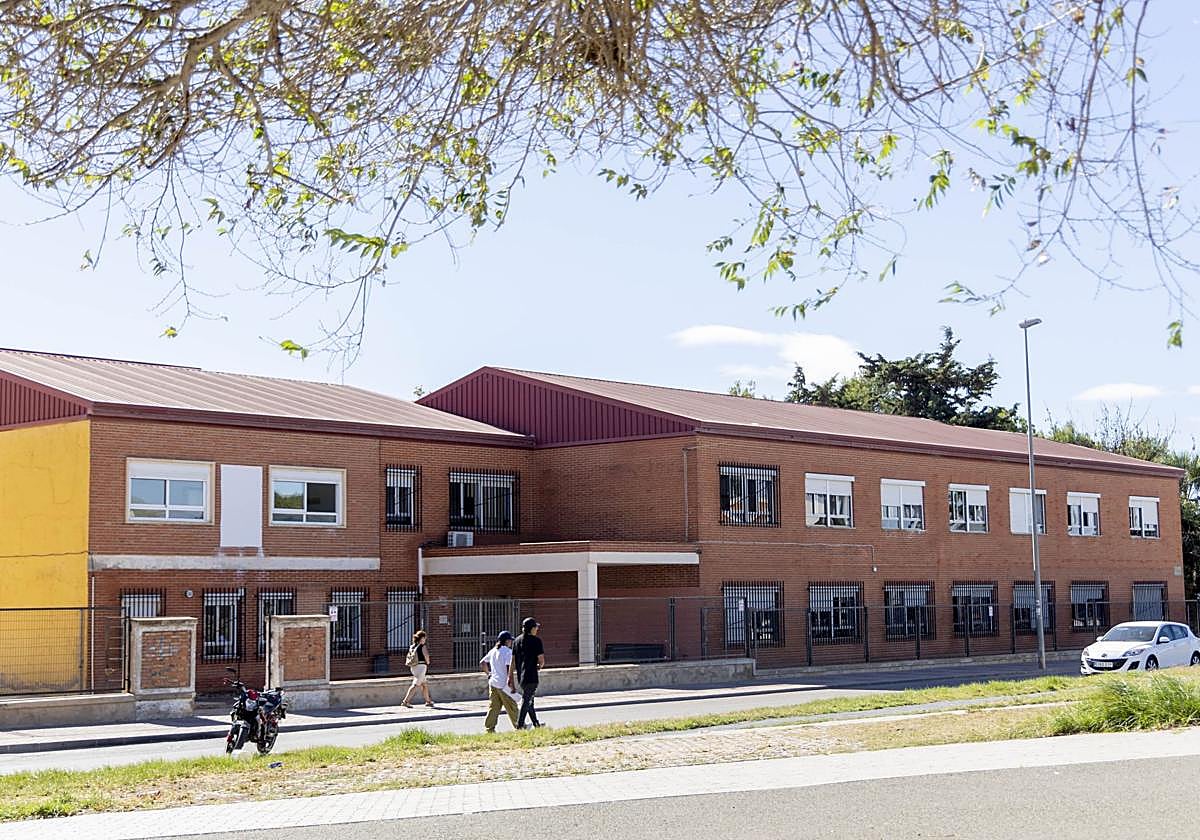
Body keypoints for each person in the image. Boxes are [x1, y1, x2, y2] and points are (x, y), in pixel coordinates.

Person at [479, 630, 520, 732]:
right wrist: (511, 684)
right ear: (506, 641)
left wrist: (488, 674)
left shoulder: (493, 651)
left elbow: (482, 662)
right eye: (510, 640)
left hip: (493, 683)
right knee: (512, 706)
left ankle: (489, 729)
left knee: (494, 707)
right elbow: (508, 669)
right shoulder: (508, 652)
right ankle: (520, 726)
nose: (511, 643)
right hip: (503, 685)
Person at [512, 616, 545, 728]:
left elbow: (513, 660)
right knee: (527, 700)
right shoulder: (536, 641)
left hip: (521, 676)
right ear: (532, 628)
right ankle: (520, 725)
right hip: (531, 676)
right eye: (536, 627)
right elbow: (541, 660)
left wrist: (510, 677)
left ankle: (536, 724)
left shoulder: (516, 641)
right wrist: (539, 666)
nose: (537, 629)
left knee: (530, 700)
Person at [401, 629, 434, 708]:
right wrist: (428, 662)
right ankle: (405, 701)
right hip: (421, 668)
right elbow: (426, 656)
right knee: (415, 685)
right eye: (424, 638)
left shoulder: (412, 646)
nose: (425, 640)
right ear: (421, 638)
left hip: (414, 667)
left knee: (424, 685)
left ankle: (428, 701)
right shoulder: (422, 647)